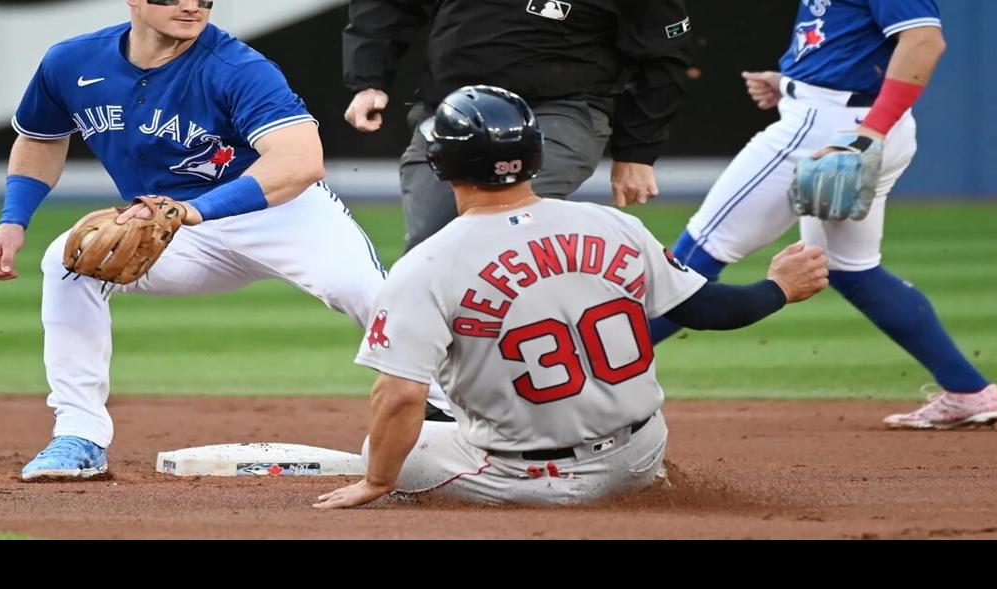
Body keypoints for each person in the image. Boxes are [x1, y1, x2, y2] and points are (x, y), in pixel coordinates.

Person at [0, 0, 437, 481]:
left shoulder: (237, 67)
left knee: (365, 293)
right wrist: (14, 220)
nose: (191, 6)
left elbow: (300, 161)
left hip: (279, 212)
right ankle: (79, 435)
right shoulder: (71, 62)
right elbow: (41, 139)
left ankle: (451, 416)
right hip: (172, 227)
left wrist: (197, 210)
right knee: (69, 264)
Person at [315, 86, 829, 508]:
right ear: (536, 155)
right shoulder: (614, 225)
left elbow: (400, 395)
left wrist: (379, 480)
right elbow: (712, 308)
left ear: (440, 163)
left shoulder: (426, 265)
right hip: (641, 456)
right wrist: (779, 287)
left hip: (531, 479)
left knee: (385, 448)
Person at [645, 0, 997, 430]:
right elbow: (849, 38)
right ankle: (968, 390)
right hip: (842, 118)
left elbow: (925, 41)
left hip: (835, 128)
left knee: (698, 254)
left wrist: (869, 131)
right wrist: (793, 82)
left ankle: (593, 372)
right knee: (852, 269)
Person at [341, 0, 693, 252]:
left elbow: (664, 58)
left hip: (560, 110)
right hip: (455, 109)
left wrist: (637, 154)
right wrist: (368, 80)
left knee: (501, 229)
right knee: (430, 247)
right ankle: (430, 351)